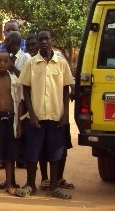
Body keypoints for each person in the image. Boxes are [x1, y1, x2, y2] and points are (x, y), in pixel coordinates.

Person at [18, 28, 74, 199]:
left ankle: (54, 186)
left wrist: (65, 114)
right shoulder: (31, 63)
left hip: (56, 116)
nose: (43, 42)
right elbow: (25, 90)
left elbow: (66, 90)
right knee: (32, 152)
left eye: (46, 39)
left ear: (52, 40)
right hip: (36, 117)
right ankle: (30, 184)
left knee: (55, 153)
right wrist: (32, 114)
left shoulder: (61, 63)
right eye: (41, 39)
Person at [0, 51, 26, 196]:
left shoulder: (14, 80)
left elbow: (20, 102)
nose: (2, 64)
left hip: (11, 119)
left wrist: (19, 123)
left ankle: (9, 183)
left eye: (5, 61)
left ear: (10, 63)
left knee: (11, 153)